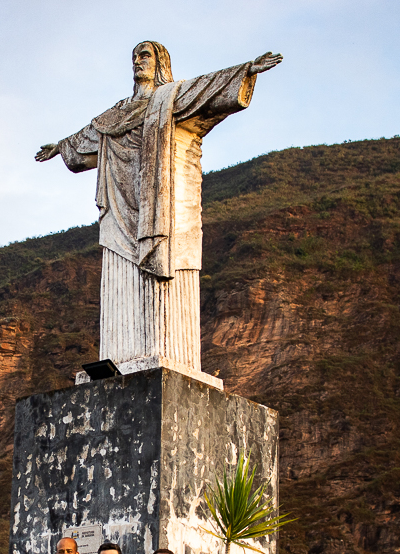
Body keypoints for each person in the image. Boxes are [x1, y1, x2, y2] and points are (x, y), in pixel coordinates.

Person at [35, 42, 282, 377]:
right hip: (119, 214)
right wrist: (60, 147)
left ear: (160, 62)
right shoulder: (116, 113)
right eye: (134, 57)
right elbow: (88, 136)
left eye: (145, 56)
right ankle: (118, 358)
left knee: (165, 284)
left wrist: (246, 71)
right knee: (120, 277)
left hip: (160, 210)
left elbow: (206, 90)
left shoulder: (169, 98)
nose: (137, 62)